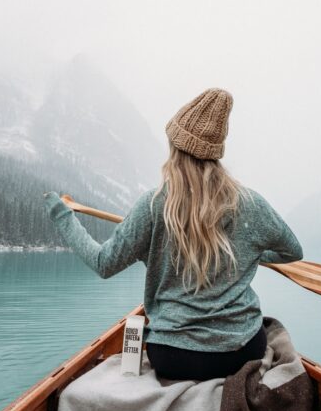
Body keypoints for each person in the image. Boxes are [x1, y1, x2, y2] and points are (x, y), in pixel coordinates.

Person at [43, 88, 303, 381]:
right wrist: (249, 252)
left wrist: (63, 216)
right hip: (240, 353)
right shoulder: (251, 205)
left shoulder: (154, 206)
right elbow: (292, 251)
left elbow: (104, 263)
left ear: (175, 148)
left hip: (173, 356)